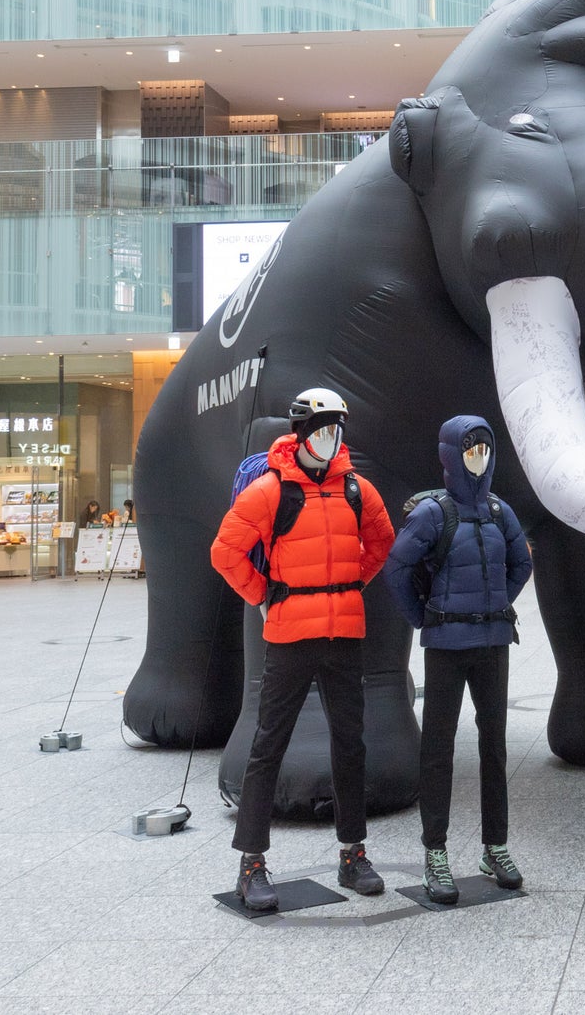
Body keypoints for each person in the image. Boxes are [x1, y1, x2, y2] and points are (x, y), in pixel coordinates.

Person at [211, 387, 394, 910]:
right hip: (290, 636)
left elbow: (382, 540)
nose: (330, 439)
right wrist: (262, 595)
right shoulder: (270, 490)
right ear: (301, 433)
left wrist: (351, 584)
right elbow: (225, 552)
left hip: (344, 634)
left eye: (337, 430)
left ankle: (353, 854)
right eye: (321, 429)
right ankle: (251, 864)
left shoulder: (356, 488)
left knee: (351, 744)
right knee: (269, 744)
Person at [384, 416, 533, 905]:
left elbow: (522, 562)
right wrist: (424, 618)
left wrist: (496, 604)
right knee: (438, 750)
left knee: (494, 748)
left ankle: (495, 847)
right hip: (447, 647)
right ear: (451, 455)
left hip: (493, 643)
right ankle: (436, 853)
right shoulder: (433, 513)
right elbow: (397, 568)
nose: (479, 459)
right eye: (470, 450)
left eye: (485, 450)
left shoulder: (499, 510)